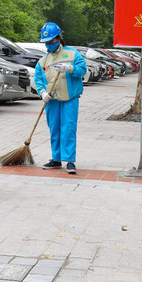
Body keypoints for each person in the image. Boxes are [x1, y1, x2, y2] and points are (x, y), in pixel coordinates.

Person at [34, 22, 87, 174]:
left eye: (51, 41)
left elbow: (83, 69)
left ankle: (70, 160)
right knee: (54, 129)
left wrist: (70, 68)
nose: (49, 44)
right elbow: (38, 79)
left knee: (68, 128)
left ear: (58, 38)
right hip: (52, 100)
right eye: (47, 42)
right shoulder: (43, 61)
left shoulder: (72, 54)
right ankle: (56, 159)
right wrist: (42, 92)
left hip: (70, 98)